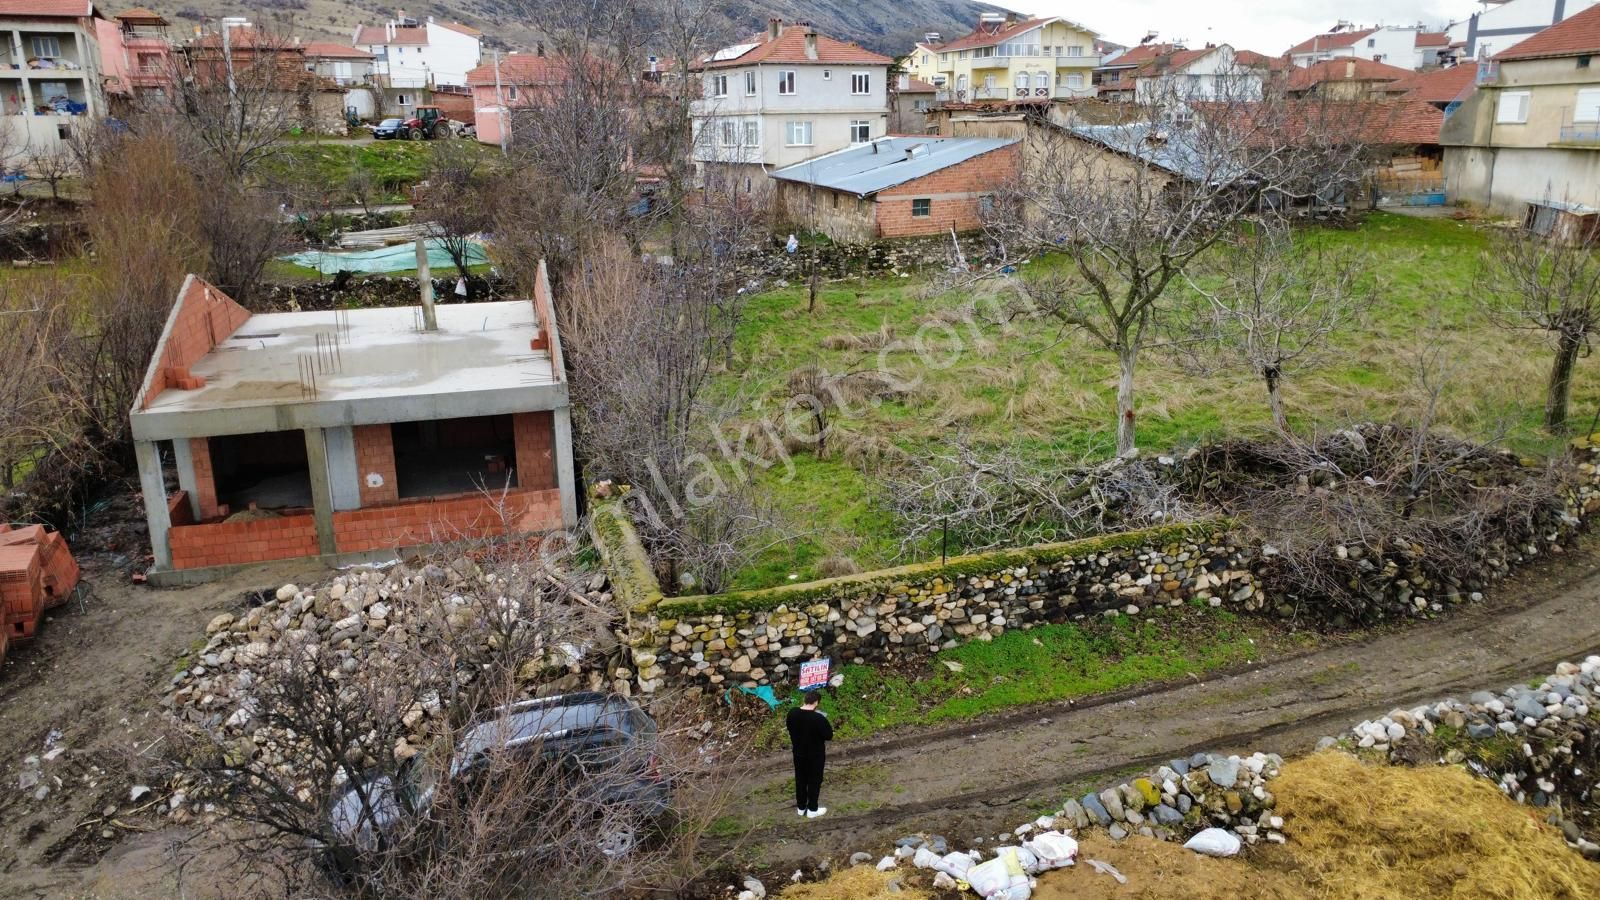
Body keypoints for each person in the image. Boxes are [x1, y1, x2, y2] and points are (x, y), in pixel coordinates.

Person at [786, 691, 833, 818]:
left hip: (798, 753)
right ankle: (812, 809)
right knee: (814, 781)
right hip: (815, 755)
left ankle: (801, 808)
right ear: (816, 702)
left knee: (800, 780)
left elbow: (789, 727)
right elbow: (829, 735)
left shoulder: (792, 713)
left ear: (804, 699)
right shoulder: (818, 718)